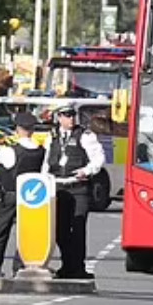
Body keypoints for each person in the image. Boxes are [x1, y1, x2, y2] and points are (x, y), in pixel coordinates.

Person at [43, 102, 104, 279]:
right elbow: (46, 162)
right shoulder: (52, 137)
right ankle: (67, 264)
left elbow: (98, 158)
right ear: (59, 118)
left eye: (73, 115)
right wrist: (43, 180)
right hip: (58, 187)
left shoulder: (85, 135)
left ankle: (78, 267)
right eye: (67, 116)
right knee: (60, 230)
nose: (71, 119)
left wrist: (87, 171)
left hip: (78, 187)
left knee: (77, 228)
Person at [0, 112, 46, 279]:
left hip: (10, 195)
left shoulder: (10, 151)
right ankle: (20, 265)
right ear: (32, 130)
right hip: (32, 196)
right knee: (25, 232)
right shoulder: (41, 151)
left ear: (17, 129)